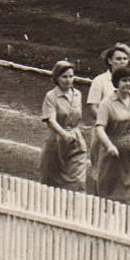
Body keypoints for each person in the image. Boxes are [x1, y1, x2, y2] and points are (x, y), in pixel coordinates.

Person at [92, 66, 130, 204]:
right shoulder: (107, 103)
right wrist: (109, 146)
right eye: (124, 80)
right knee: (111, 194)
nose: (128, 84)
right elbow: (99, 128)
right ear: (116, 82)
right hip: (113, 152)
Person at [39, 60, 89, 192]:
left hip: (75, 140)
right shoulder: (51, 96)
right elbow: (51, 120)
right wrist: (64, 134)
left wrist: (71, 134)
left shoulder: (78, 94)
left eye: (71, 76)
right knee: (52, 181)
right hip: (56, 141)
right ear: (56, 78)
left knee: (78, 180)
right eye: (64, 77)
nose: (68, 80)